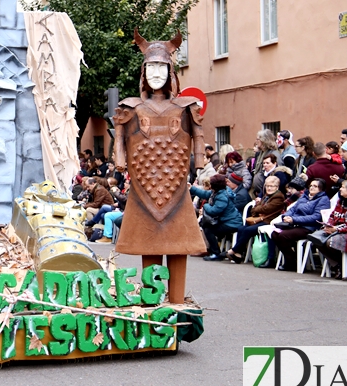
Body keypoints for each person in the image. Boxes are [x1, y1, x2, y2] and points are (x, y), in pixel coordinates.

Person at [112, 31, 206, 304]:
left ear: (171, 71)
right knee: (148, 247)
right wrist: (119, 159)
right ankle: (152, 301)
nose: (155, 73)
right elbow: (120, 138)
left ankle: (177, 302)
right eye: (150, 67)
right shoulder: (131, 107)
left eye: (161, 67)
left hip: (176, 192)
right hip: (144, 191)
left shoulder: (185, 107)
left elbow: (198, 138)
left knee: (179, 249)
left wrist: (198, 162)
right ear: (143, 72)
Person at [271, 178, 330, 271]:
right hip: (294, 224)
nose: (312, 188)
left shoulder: (323, 199)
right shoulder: (305, 196)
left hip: (309, 227)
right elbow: (293, 209)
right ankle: (293, 258)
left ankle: (290, 262)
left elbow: (316, 217)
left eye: (315, 186)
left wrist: (294, 219)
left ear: (321, 188)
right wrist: (286, 216)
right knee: (274, 234)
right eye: (311, 185)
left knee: (283, 236)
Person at [224, 175, 285, 263]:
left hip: (269, 221)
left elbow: (266, 209)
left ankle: (233, 251)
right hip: (260, 219)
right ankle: (238, 255)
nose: (269, 188)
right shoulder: (267, 196)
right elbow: (255, 210)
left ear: (277, 187)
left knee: (248, 230)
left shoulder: (278, 197)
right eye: (267, 186)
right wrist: (258, 208)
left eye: (271, 186)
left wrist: (258, 208)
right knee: (241, 228)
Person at [315, 178, 347, 279]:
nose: (340, 189)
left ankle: (343, 266)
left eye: (343, 187)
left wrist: (336, 229)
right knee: (316, 239)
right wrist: (328, 225)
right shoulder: (341, 200)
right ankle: (337, 265)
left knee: (329, 242)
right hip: (336, 229)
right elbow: (333, 215)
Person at [189, 174, 243, 260]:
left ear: (215, 185)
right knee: (207, 226)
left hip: (231, 223)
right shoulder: (220, 191)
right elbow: (205, 194)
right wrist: (191, 188)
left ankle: (216, 253)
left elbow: (214, 211)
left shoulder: (222, 196)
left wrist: (205, 206)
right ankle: (213, 251)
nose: (210, 186)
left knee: (209, 229)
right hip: (227, 221)